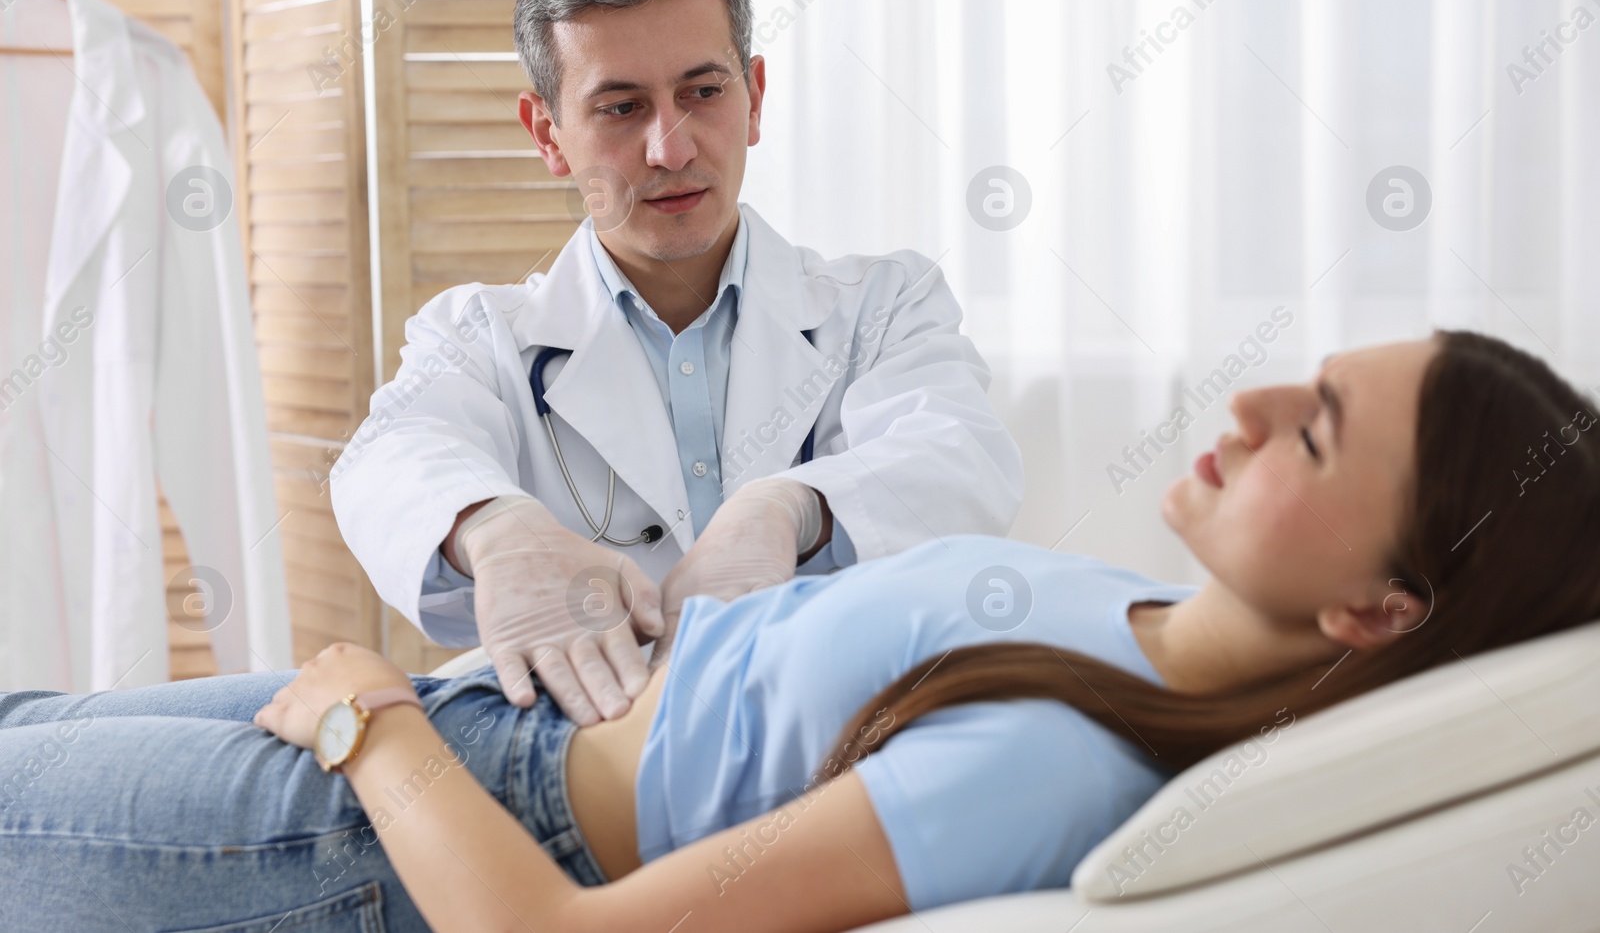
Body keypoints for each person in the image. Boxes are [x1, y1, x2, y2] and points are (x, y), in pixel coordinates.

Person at [4, 330, 1597, 933]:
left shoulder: (1057, 760)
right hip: (469, 721)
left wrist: (375, 722)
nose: (1250, 399)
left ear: (1376, 610)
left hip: (403, 812)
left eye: (1313, 431)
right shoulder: (1130, 618)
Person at [329, 0, 1024, 728]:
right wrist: (497, 527)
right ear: (548, 134)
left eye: (703, 92)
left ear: (754, 98)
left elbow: (960, 456)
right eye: (621, 108)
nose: (671, 146)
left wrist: (790, 509)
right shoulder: (480, 337)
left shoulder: (884, 305)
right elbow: (389, 457)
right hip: (582, 758)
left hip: (833, 741)